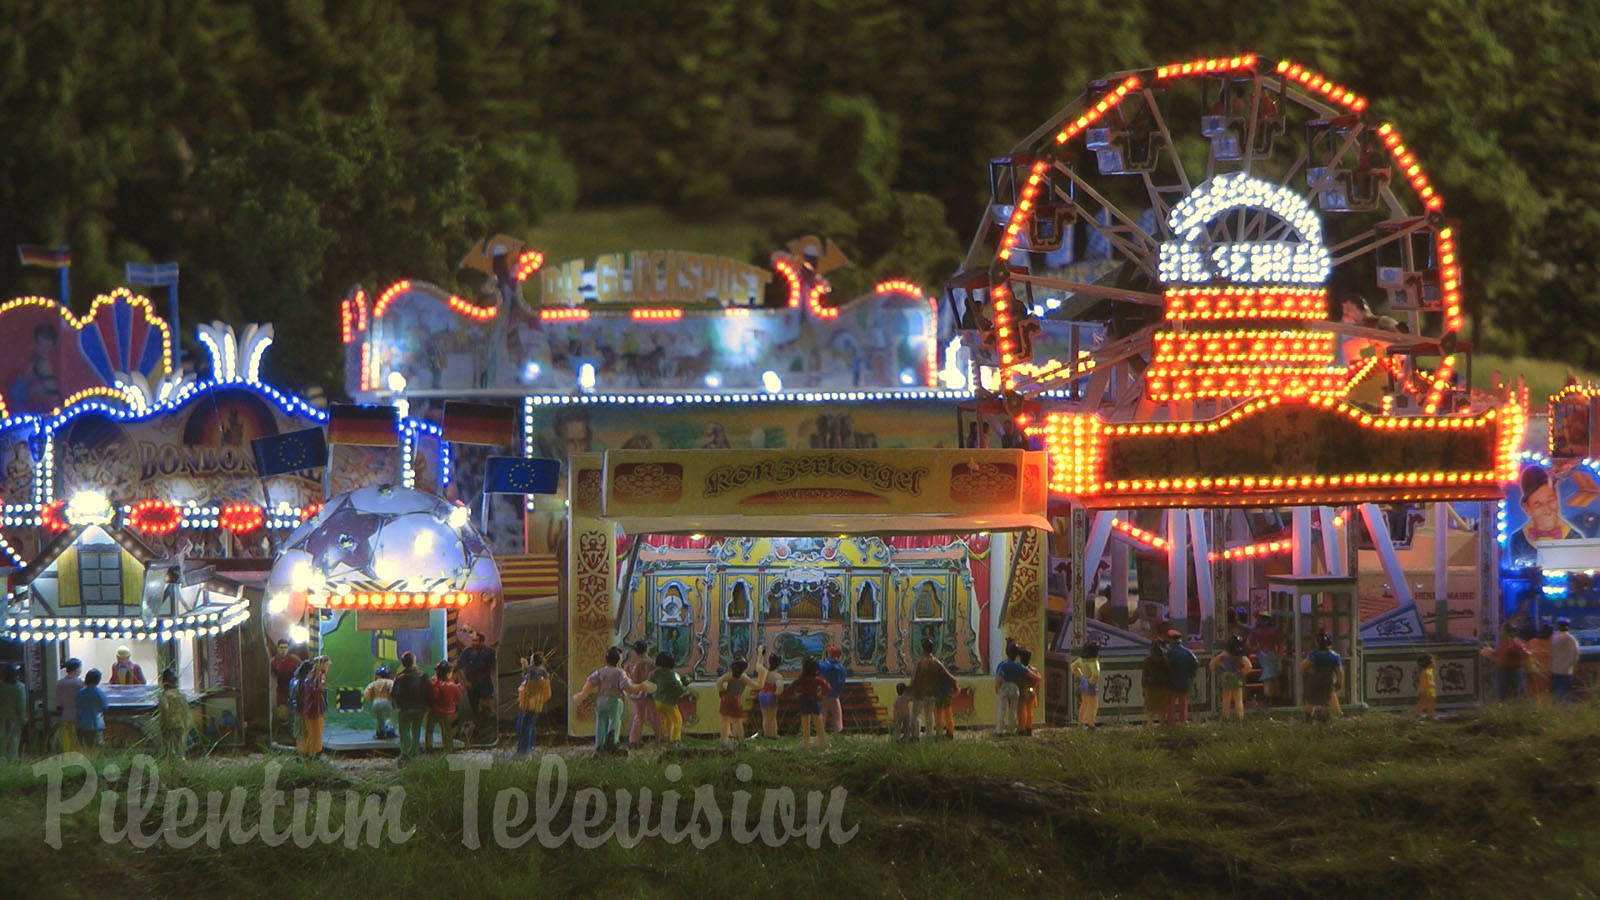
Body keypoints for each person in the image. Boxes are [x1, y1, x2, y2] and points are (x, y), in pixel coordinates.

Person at [571, 647, 643, 754]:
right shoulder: (620, 673)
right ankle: (612, 743)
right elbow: (626, 686)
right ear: (619, 660)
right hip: (615, 701)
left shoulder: (600, 671)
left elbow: (590, 683)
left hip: (601, 700)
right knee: (615, 722)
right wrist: (637, 688)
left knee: (600, 723)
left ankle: (599, 745)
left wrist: (582, 695)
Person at [1508, 466, 1580, 566]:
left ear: (1557, 498)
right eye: (1538, 504)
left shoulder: (1575, 538)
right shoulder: (1518, 540)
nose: (1547, 510)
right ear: (1527, 508)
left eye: (1551, 500)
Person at [910, 638, 957, 740]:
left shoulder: (921, 663)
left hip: (920, 693)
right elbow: (949, 676)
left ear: (923, 649)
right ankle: (930, 735)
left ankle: (915, 735)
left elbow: (916, 679)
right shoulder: (936, 663)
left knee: (916, 715)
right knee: (929, 714)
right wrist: (955, 685)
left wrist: (911, 690)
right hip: (932, 693)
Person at [391, 652, 432, 757]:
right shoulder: (423, 675)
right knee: (416, 730)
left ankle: (405, 753)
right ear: (414, 661)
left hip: (405, 709)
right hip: (420, 708)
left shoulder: (399, 677)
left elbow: (394, 694)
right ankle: (415, 752)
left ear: (403, 663)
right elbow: (429, 692)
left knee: (404, 731)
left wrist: (396, 705)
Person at [456, 632, 498, 736]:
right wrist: (465, 681)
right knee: (475, 709)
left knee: (489, 705)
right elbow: (459, 668)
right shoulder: (467, 652)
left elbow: (494, 666)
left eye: (475, 640)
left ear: (482, 641)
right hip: (472, 685)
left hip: (485, 684)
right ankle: (478, 730)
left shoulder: (489, 652)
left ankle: (493, 728)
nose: (472, 643)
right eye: (472, 640)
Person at [715, 657, 761, 748]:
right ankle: (740, 741)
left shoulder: (730, 675)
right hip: (735, 698)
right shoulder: (744, 677)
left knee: (725, 720)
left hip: (727, 697)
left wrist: (722, 692)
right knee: (737, 722)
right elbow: (755, 686)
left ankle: (724, 739)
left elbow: (719, 682)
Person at [644, 652, 689, 746]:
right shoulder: (673, 675)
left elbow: (650, 685)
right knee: (677, 719)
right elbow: (679, 688)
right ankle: (676, 739)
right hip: (669, 702)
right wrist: (685, 686)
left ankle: (667, 737)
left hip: (657, 701)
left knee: (666, 719)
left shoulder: (654, 673)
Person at [622, 639, 659, 746]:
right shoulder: (650, 663)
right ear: (646, 649)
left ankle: (634, 739)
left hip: (635, 693)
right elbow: (651, 678)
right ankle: (660, 737)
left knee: (638, 716)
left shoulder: (631, 663)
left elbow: (626, 678)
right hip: (648, 693)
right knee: (654, 716)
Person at [790, 657, 832, 751]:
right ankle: (822, 741)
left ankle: (806, 742)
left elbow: (792, 686)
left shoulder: (802, 679)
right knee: (818, 721)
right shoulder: (817, 679)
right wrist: (821, 695)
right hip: (814, 700)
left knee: (805, 721)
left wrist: (796, 694)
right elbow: (827, 687)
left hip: (804, 700)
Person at [514, 654, 552, 756]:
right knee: (529, 725)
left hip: (530, 703)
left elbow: (534, 685)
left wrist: (529, 693)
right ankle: (527, 748)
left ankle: (524, 751)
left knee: (525, 726)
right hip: (531, 702)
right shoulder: (540, 672)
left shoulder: (536, 672)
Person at [1301, 633, 1343, 722]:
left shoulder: (1314, 654)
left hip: (1314, 681)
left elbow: (1303, 667)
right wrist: (1339, 683)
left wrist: (1305, 673)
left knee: (1311, 702)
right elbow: (1340, 672)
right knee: (1325, 702)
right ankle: (1324, 720)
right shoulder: (1334, 656)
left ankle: (1308, 720)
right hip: (1327, 682)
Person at [1211, 635, 1253, 723]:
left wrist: (1220, 672)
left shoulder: (1224, 654)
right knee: (1238, 699)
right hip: (1235, 677)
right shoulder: (1240, 656)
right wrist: (1241, 673)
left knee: (1226, 698)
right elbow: (1249, 666)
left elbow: (1212, 664)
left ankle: (1225, 717)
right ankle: (1239, 717)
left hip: (1226, 677)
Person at [1483, 622, 1529, 702]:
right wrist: (1491, 653)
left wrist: (1493, 655)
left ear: (1506, 631)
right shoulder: (1503, 642)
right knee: (1503, 696)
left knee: (1510, 696)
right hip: (1503, 671)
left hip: (1510, 672)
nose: (1500, 631)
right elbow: (1499, 655)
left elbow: (1524, 654)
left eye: (1502, 629)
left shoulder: (1515, 642)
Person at [1247, 612, 1284, 704]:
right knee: (1272, 677)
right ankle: (1273, 697)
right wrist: (1279, 657)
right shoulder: (1274, 630)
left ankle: (1269, 697)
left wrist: (1255, 649)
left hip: (1263, 654)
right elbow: (1280, 645)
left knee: (1268, 677)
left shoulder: (1256, 631)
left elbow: (1248, 643)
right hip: (1272, 654)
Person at [426, 661, 463, 752]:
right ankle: (448, 748)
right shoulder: (452, 686)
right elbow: (458, 699)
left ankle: (429, 747)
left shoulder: (432, 683)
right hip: (447, 713)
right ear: (448, 672)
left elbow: (428, 696)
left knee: (429, 730)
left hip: (433, 711)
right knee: (446, 732)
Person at [1165, 631, 1200, 726]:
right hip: (1184, 680)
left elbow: (1164, 665)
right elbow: (1195, 663)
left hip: (1171, 680)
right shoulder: (1187, 652)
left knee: (1170, 702)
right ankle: (1183, 721)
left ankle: (1170, 721)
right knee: (1183, 702)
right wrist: (1191, 674)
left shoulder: (1169, 653)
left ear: (1170, 641)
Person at [994, 643, 1028, 736]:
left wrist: (997, 687)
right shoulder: (1018, 666)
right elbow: (1026, 672)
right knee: (1013, 710)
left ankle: (999, 731)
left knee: (1002, 709)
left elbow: (998, 677)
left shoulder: (1003, 665)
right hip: (1014, 687)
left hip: (1004, 687)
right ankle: (1011, 730)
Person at [298, 656, 329, 756]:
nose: (328, 667)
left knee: (313, 731)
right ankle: (314, 753)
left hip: (312, 709)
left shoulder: (312, 676)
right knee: (315, 732)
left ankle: (308, 751)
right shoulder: (316, 676)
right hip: (314, 710)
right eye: (326, 664)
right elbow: (316, 693)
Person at [155, 669, 189, 759]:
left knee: (168, 745)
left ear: (164, 683)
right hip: (181, 723)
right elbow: (186, 710)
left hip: (169, 725)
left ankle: (169, 760)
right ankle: (181, 759)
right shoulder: (181, 695)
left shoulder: (165, 696)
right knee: (179, 745)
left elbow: (165, 708)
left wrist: (164, 723)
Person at [1068, 643, 1101, 728]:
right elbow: (1096, 674)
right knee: (1093, 705)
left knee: (1084, 704)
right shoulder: (1094, 662)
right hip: (1091, 683)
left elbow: (1072, 666)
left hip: (1083, 681)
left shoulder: (1080, 660)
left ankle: (1081, 723)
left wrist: (1078, 674)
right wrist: (1091, 682)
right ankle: (1091, 723)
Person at [270, 639, 301, 730]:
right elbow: (269, 677)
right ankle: (284, 729)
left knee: (295, 712)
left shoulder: (295, 660)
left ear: (288, 649)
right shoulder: (273, 661)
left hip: (294, 690)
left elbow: (303, 672)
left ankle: (294, 730)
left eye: (285, 648)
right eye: (281, 647)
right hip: (281, 691)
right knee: (282, 714)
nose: (283, 650)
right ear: (277, 648)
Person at [77, 669, 108, 755]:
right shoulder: (100, 693)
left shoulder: (81, 692)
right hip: (96, 723)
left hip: (82, 723)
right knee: (96, 746)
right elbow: (104, 707)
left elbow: (78, 705)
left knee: (85, 745)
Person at [818, 645, 848, 734]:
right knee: (837, 716)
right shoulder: (842, 668)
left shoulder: (821, 666)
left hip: (823, 694)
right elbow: (842, 683)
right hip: (835, 695)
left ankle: (820, 733)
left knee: (822, 714)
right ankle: (839, 731)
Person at [56, 658, 83, 753]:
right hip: (78, 716)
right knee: (77, 741)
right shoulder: (80, 684)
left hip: (65, 715)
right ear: (76, 669)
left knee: (67, 741)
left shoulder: (60, 683)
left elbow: (58, 702)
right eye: (80, 668)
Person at [1551, 618, 1580, 703]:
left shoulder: (1554, 638)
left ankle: (1556, 710)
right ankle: (1565, 711)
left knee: (1556, 692)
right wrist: (1572, 665)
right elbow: (1575, 654)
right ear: (1568, 627)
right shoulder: (1571, 639)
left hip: (1555, 670)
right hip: (1566, 671)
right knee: (1566, 693)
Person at [1142, 639, 1170, 727]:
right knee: (1161, 709)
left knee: (1150, 709)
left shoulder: (1147, 660)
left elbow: (1144, 674)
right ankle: (1161, 725)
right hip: (1162, 686)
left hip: (1150, 687)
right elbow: (1168, 674)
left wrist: (1143, 687)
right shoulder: (1164, 660)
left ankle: (1150, 725)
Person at [755, 653, 784, 739]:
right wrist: (777, 693)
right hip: (771, 695)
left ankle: (767, 734)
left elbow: (758, 665)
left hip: (762, 694)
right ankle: (773, 734)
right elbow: (779, 688)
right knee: (772, 717)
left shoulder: (764, 672)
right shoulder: (777, 676)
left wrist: (760, 654)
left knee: (765, 717)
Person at [363, 666, 396, 740]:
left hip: (376, 702)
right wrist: (392, 699)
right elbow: (393, 690)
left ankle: (380, 733)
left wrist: (371, 698)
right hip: (386, 701)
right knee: (388, 717)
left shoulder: (373, 683)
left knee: (379, 719)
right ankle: (389, 730)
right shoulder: (390, 682)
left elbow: (366, 693)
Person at [0, 664, 24, 761]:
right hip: (15, 719)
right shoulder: (19, 687)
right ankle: (12, 761)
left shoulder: (1, 686)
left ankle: (2, 760)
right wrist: (23, 720)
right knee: (14, 740)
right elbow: (21, 705)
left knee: (2, 740)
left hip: (1, 717)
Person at [1018, 648, 1043, 736]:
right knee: (1030, 712)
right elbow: (1038, 680)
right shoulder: (1033, 669)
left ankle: (1022, 728)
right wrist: (1034, 687)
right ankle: (1029, 728)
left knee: (1022, 711)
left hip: (1022, 691)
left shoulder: (1020, 669)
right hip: (1031, 691)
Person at [1527, 625, 1553, 707]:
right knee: (1548, 697)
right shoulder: (1552, 644)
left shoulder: (1532, 642)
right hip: (1548, 674)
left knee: (1536, 697)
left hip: (1534, 674)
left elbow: (1527, 657)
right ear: (1551, 634)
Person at [1415, 654, 1437, 720]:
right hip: (1426, 691)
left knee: (1430, 705)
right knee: (1421, 704)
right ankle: (1418, 716)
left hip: (1430, 691)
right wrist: (1432, 683)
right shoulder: (1425, 672)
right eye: (1433, 661)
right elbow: (1425, 683)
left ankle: (1430, 716)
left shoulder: (1430, 671)